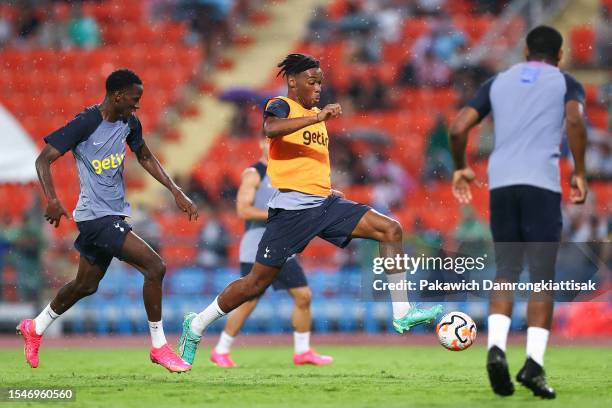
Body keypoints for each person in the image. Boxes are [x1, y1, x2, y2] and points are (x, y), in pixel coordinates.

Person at [178, 53, 443, 365]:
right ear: (293, 81)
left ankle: (402, 312)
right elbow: (271, 129)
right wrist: (317, 118)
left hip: (324, 204)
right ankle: (195, 326)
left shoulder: (318, 116)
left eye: (320, 82)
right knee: (254, 284)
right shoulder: (281, 106)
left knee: (390, 229)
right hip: (290, 212)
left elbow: (309, 163)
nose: (318, 88)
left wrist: (327, 189)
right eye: (312, 81)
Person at [17, 69, 198, 373]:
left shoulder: (129, 123)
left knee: (85, 285)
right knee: (155, 266)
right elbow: (43, 159)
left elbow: (145, 156)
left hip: (110, 214)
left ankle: (35, 326)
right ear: (117, 96)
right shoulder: (87, 122)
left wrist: (175, 190)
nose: (137, 106)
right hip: (95, 218)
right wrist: (52, 198)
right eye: (134, 99)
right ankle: (159, 347)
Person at [448, 26, 588, 399]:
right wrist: (579, 171)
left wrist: (461, 165)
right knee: (542, 276)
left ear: (525, 52)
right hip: (541, 184)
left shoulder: (498, 82)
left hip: (502, 185)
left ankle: (496, 348)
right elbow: (574, 121)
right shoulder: (566, 81)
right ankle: (534, 365)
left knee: (506, 271)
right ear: (559, 55)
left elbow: (459, 126)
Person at [208, 137, 332, 368]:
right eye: (270, 141)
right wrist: (279, 214)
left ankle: (303, 351)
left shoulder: (287, 172)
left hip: (283, 245)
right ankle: (221, 350)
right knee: (248, 301)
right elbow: (243, 209)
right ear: (262, 144)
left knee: (303, 296)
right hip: (257, 245)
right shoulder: (254, 173)